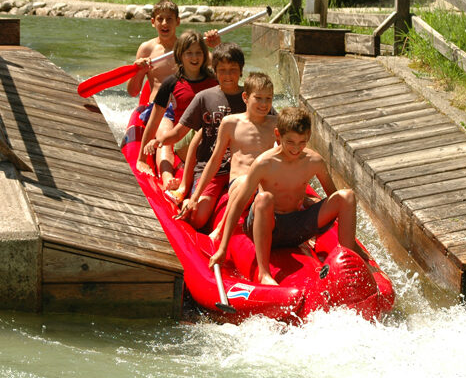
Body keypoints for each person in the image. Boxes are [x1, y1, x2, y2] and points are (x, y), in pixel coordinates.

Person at [208, 107, 366, 285]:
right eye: (290, 141)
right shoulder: (264, 163)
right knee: (264, 198)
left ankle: (348, 261)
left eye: (302, 142)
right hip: (268, 226)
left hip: (296, 227)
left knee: (347, 196)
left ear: (308, 136)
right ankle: (264, 273)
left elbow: (334, 197)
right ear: (278, 135)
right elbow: (238, 204)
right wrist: (222, 247)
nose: (296, 148)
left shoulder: (314, 161)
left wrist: (318, 225)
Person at [156, 42, 253, 229]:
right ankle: (186, 198)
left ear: (241, 71)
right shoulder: (204, 97)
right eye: (222, 70)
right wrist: (159, 140)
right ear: (215, 71)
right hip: (211, 169)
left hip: (242, 168)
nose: (227, 75)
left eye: (233, 70)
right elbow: (180, 132)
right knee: (198, 219)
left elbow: (275, 127)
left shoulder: (251, 99)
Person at [184, 72, 277, 241]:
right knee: (247, 181)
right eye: (259, 98)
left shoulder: (275, 124)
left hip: (264, 185)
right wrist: (195, 197)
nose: (264, 104)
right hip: (240, 182)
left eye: (268, 99)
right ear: (245, 97)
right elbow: (215, 160)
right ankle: (221, 229)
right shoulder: (231, 123)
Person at [135, 30, 218, 189]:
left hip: (210, 135)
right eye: (189, 53)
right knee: (169, 133)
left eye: (199, 53)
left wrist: (218, 45)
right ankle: (167, 176)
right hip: (184, 137)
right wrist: (142, 159)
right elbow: (154, 120)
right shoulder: (171, 84)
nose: (194, 57)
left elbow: (231, 69)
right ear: (180, 55)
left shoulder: (214, 80)